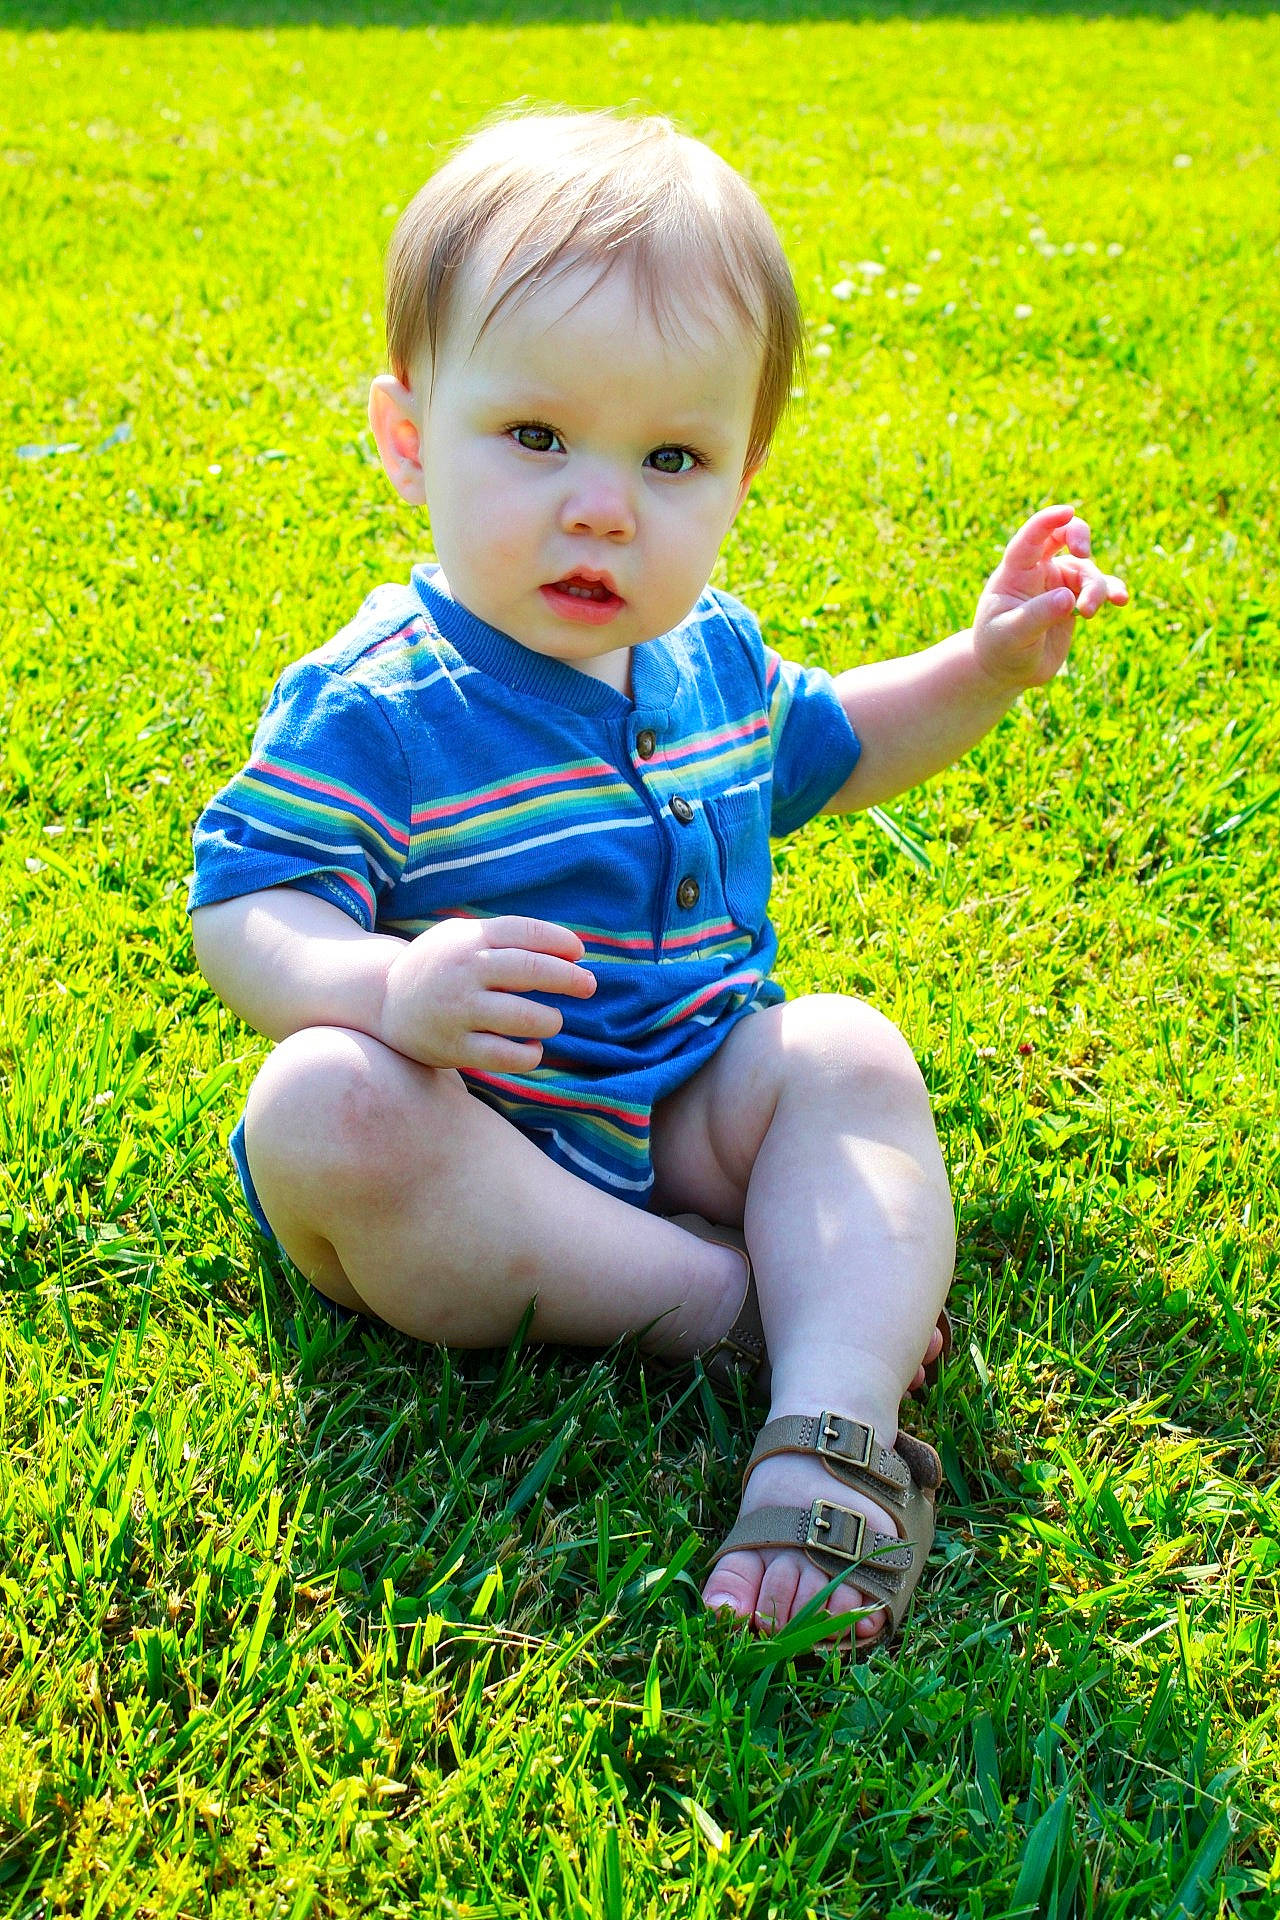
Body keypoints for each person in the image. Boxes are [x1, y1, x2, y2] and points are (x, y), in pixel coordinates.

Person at [189, 108, 1127, 1651]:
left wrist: (983, 665)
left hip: (690, 1106)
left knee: (841, 1049)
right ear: (410, 436)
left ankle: (835, 1426)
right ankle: (744, 1313)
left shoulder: (706, 661)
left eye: (671, 456)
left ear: (743, 473)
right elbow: (246, 910)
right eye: (538, 438)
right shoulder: (375, 703)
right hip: (475, 1144)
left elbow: (841, 742)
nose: (603, 505)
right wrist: (381, 989)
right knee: (316, 1112)